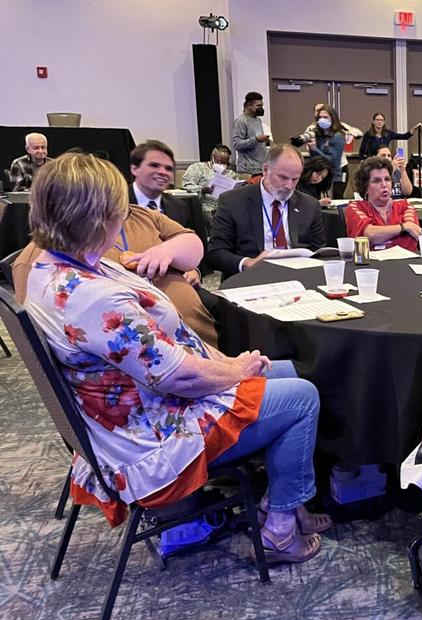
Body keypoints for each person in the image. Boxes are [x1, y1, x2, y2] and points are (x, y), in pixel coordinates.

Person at [22, 153, 329, 562]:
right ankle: (280, 527)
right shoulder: (89, 297)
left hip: (137, 412)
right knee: (302, 396)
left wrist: (229, 365)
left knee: (288, 370)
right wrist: (236, 368)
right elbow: (178, 378)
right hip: (153, 437)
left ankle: (289, 498)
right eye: (118, 212)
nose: (123, 220)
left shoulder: (49, 267)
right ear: (97, 219)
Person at [12, 201, 219, 347]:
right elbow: (164, 367)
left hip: (185, 349)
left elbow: (189, 240)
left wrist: (173, 254)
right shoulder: (49, 269)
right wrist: (233, 371)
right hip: (157, 380)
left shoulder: (139, 217)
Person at [207, 145, 325, 279]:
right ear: (265, 170)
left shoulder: (309, 205)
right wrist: (247, 263)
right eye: (283, 177)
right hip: (251, 278)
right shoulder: (233, 201)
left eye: (295, 179)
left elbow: (318, 252)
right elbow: (215, 253)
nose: (289, 186)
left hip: (297, 278)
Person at [128, 140, 209, 263]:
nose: (162, 172)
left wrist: (194, 271)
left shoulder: (181, 207)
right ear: (135, 169)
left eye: (168, 168)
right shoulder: (114, 204)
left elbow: (199, 252)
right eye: (154, 165)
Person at [344, 156, 422, 253]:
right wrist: (404, 227)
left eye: (387, 179)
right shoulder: (355, 207)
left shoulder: (405, 206)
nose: (384, 185)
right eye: (377, 181)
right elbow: (370, 235)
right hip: (371, 264)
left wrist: (381, 234)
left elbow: (414, 233)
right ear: (365, 186)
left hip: (404, 262)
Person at [292, 104, 346, 193]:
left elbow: (332, 161)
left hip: (331, 177)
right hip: (317, 175)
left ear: (332, 118)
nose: (322, 120)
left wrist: (315, 149)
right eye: (320, 117)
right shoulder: (319, 135)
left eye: (325, 117)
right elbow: (315, 158)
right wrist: (311, 148)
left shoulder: (337, 136)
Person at [181, 144, 240, 215]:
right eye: (219, 162)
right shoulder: (198, 168)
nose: (222, 165)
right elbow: (186, 186)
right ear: (212, 158)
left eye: (225, 163)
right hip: (205, 205)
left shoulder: (231, 174)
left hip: (226, 205)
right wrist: (202, 189)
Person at [232, 91, 271, 175]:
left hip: (260, 167)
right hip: (247, 170)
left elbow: (256, 140)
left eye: (262, 106)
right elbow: (236, 144)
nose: (261, 108)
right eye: (258, 106)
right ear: (249, 105)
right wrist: (256, 139)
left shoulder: (258, 120)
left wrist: (265, 141)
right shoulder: (241, 121)